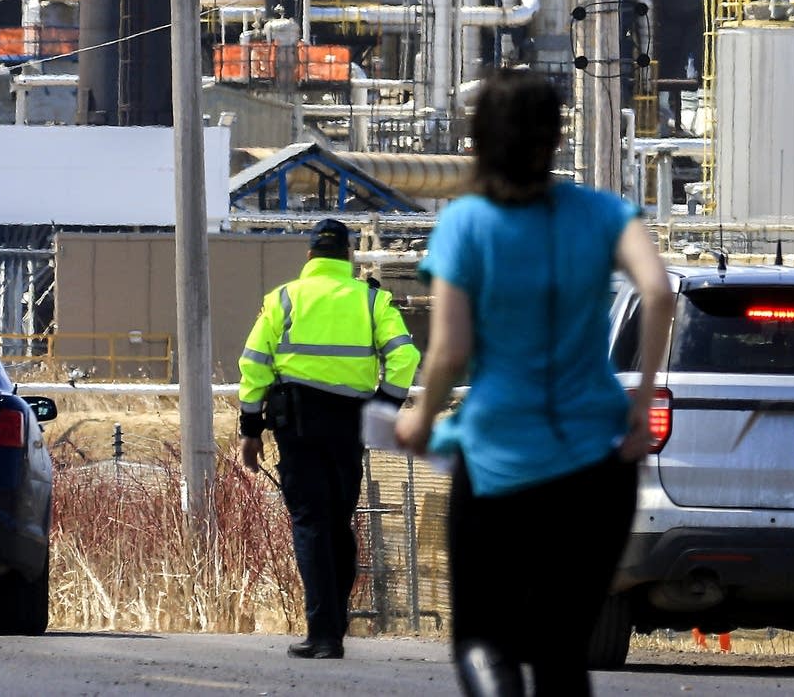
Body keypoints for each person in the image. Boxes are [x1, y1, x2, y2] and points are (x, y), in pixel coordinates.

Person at [395, 70, 672, 697]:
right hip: (596, 460)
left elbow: (451, 349)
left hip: (498, 455)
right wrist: (642, 401)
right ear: (555, 138)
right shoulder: (602, 213)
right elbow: (657, 292)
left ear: (480, 141)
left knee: (482, 642)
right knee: (560, 648)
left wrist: (421, 415)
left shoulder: (465, 224)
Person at [238, 217, 420, 660]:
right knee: (338, 521)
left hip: (297, 425)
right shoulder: (372, 300)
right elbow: (405, 356)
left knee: (311, 522)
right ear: (349, 256)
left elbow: (254, 364)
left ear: (309, 257)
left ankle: (323, 632)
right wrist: (385, 407)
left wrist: (250, 429)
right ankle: (333, 628)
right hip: (350, 425)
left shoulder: (283, 298)